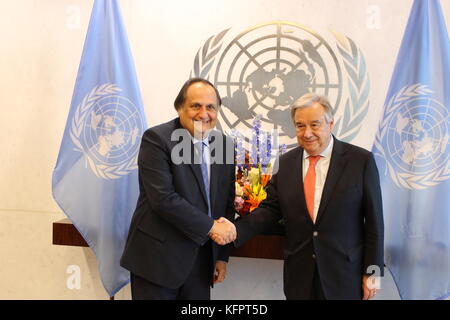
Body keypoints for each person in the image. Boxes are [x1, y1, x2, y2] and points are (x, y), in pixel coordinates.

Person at [214, 93, 384, 300]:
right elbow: (270, 210)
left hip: (345, 276)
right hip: (300, 277)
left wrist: (373, 272)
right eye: (300, 125)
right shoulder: (286, 163)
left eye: (315, 124)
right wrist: (235, 230)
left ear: (330, 124)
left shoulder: (360, 161)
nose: (307, 133)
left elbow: (375, 223)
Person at [121, 78, 236, 300]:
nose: (204, 113)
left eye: (211, 107)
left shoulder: (223, 144)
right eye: (196, 106)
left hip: (201, 263)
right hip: (157, 261)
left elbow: (225, 202)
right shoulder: (157, 139)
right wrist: (211, 227)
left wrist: (221, 256)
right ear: (180, 107)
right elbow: (163, 199)